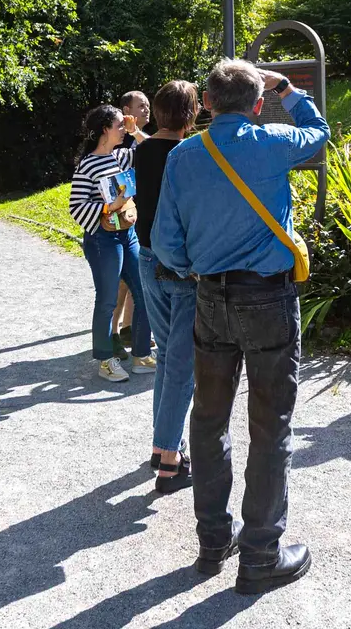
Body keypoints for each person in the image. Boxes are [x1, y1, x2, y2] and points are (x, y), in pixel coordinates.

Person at [154, 59, 329, 594]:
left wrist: (196, 268)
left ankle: (213, 540)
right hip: (268, 299)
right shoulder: (272, 141)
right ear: (257, 105)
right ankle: (260, 555)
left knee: (208, 420)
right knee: (271, 424)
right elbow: (319, 133)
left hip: (210, 297)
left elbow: (165, 242)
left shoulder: (183, 155)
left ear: (206, 103)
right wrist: (287, 89)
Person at [131, 80, 201, 494]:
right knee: (181, 366)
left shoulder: (140, 151)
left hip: (145, 257)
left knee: (166, 358)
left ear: (156, 112)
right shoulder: (188, 154)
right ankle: (170, 462)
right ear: (191, 115)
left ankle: (162, 446)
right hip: (181, 266)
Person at [67, 105, 154, 382]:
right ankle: (105, 361)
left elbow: (150, 149)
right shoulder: (87, 164)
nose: (123, 129)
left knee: (144, 292)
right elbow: (76, 206)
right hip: (102, 239)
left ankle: (141, 355)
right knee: (106, 300)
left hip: (128, 234)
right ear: (105, 129)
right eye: (119, 125)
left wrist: (134, 131)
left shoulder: (121, 156)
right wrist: (108, 207)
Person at [111, 90, 154, 346]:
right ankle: (113, 332)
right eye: (141, 106)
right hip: (122, 215)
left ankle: (128, 327)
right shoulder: (119, 140)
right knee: (122, 278)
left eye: (148, 105)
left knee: (136, 274)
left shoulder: (142, 138)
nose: (147, 109)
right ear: (126, 111)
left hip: (139, 213)